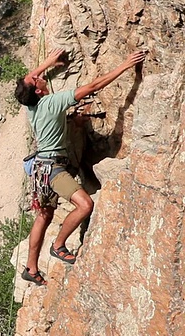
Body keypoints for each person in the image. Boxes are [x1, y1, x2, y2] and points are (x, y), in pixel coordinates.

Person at [14, 49, 146, 285]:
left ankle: (30, 268)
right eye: (36, 78)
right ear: (37, 89)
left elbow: (29, 76)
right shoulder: (51, 102)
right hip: (54, 169)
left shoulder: (30, 105)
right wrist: (125, 65)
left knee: (44, 216)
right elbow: (93, 86)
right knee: (85, 205)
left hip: (41, 170)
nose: (37, 74)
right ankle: (58, 245)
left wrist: (49, 62)